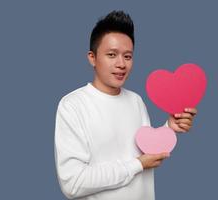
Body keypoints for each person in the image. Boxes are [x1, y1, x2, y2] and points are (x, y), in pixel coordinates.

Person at [54, 10, 197, 200]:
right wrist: (137, 165)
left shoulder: (136, 100)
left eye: (128, 56)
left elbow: (147, 152)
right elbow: (73, 183)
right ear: (92, 58)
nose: (121, 64)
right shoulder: (72, 105)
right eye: (112, 55)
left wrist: (170, 127)